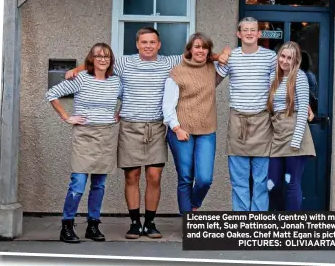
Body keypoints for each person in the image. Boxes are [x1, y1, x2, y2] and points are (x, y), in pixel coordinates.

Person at [66, 27, 230, 239]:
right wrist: (76, 70)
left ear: (159, 45)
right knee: (132, 176)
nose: (148, 46)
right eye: (144, 42)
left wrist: (219, 56)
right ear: (137, 44)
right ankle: (135, 223)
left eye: (152, 42)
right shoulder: (125, 62)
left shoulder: (169, 62)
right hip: (130, 126)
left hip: (156, 126)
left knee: (154, 176)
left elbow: (197, 53)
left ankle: (150, 222)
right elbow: (99, 63)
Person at [46, 43, 122, 243]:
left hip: (106, 135)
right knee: (78, 183)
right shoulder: (81, 79)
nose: (102, 59)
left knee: (99, 184)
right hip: (84, 135)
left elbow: (128, 98)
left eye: (106, 56)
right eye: (98, 56)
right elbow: (51, 94)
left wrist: (118, 113)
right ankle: (67, 225)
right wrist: (66, 117)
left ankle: (93, 226)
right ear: (91, 59)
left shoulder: (116, 82)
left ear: (110, 60)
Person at [215, 17, 276, 211]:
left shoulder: (270, 57)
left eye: (253, 30)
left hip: (262, 122)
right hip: (237, 121)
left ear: (259, 34)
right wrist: (218, 56)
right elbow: (212, 82)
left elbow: (280, 87)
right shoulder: (231, 57)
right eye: (245, 30)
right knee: (239, 180)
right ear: (238, 34)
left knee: (261, 180)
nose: (249, 33)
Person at [162, 32, 218, 214]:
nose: (200, 50)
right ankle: (188, 222)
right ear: (189, 50)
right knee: (186, 178)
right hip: (181, 130)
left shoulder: (212, 68)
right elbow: (168, 105)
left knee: (204, 179)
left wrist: (218, 56)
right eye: (197, 46)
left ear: (208, 50)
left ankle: (194, 203)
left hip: (207, 131)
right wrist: (176, 128)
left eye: (204, 47)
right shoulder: (178, 72)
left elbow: (229, 58)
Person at [267, 41, 316, 211]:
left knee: (291, 182)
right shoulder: (273, 77)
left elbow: (303, 109)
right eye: (283, 56)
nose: (285, 61)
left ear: (296, 61)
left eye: (290, 58)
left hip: (295, 133)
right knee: (271, 183)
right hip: (278, 133)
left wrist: (296, 140)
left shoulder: (300, 77)